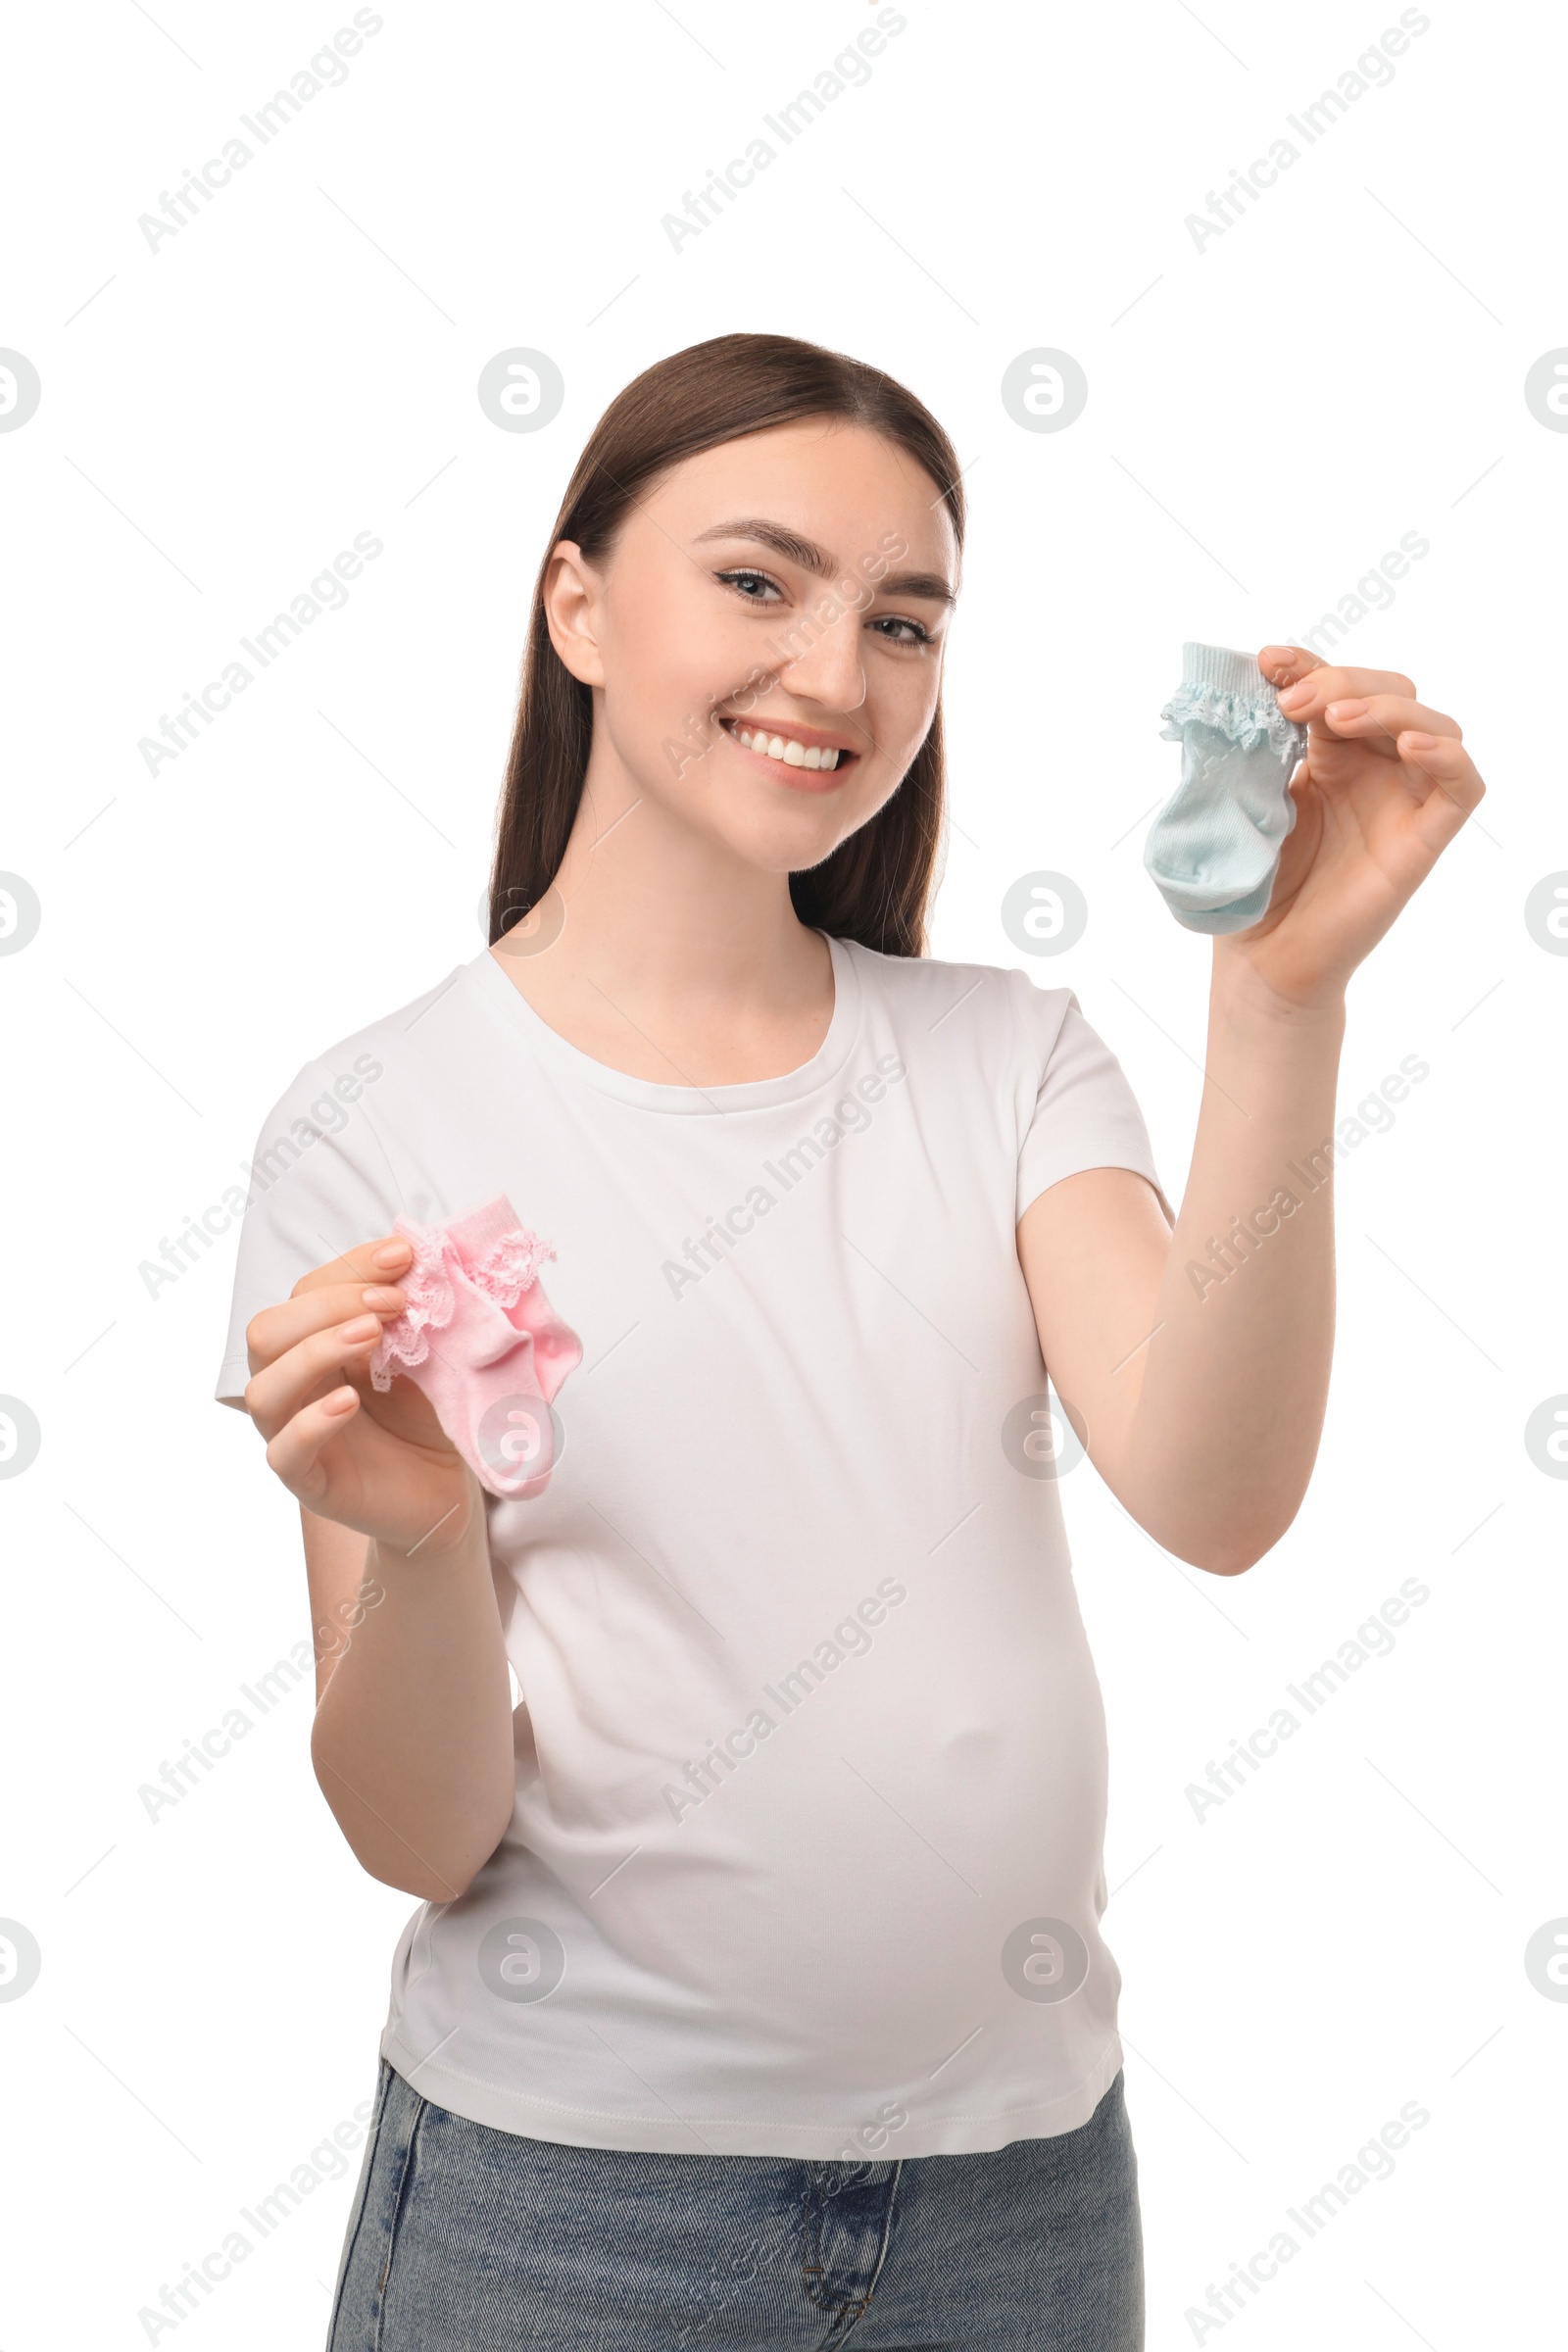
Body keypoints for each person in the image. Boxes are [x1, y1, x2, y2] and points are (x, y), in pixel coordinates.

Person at [217, 332, 1485, 2350]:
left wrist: (1279, 999)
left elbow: (1215, 1490)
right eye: (755, 580)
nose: (836, 672)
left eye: (904, 619)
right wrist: (419, 1534)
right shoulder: (372, 1126)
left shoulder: (1004, 1062)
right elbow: (418, 1832)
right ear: (576, 606)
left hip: (1019, 2208)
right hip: (565, 2220)